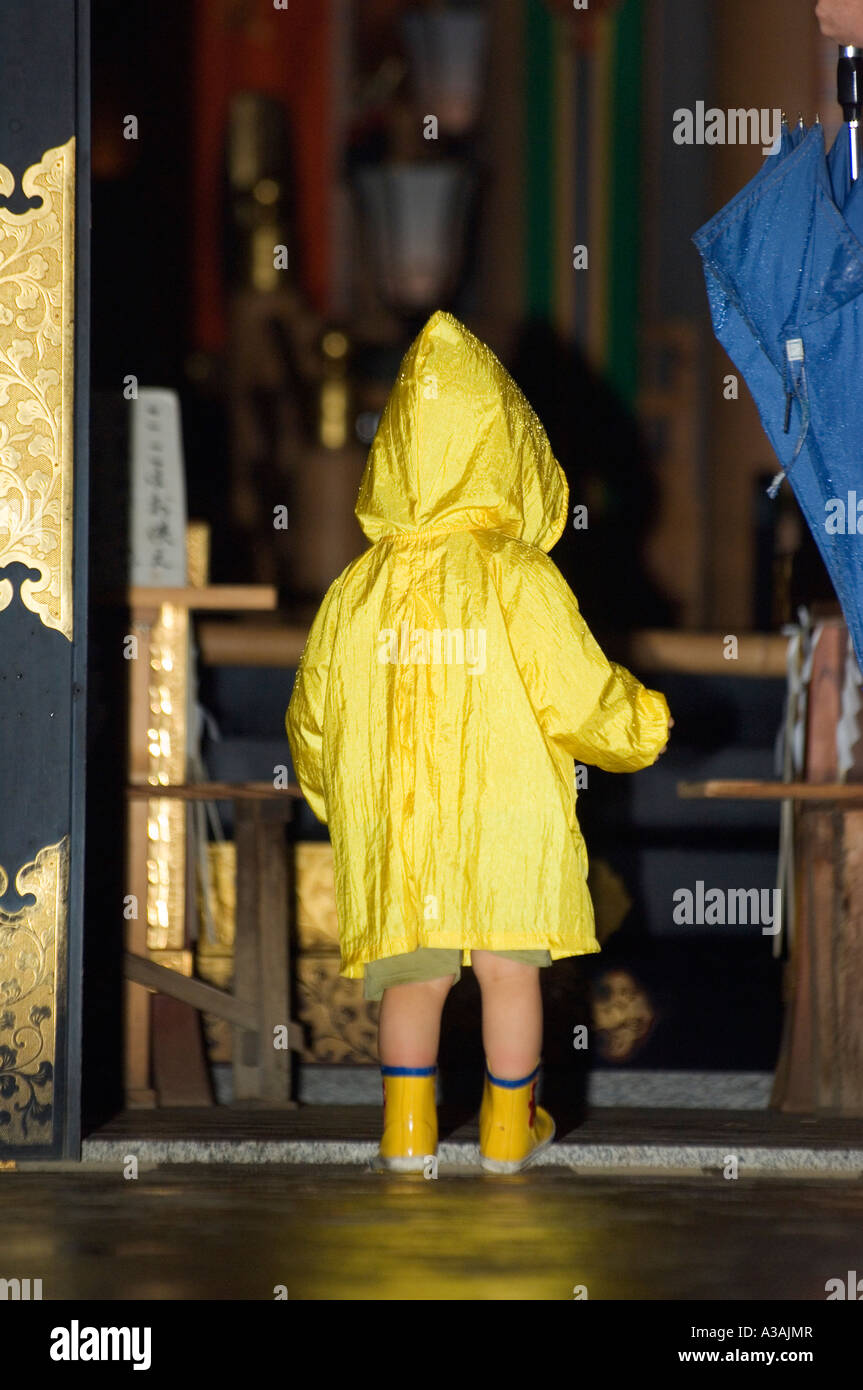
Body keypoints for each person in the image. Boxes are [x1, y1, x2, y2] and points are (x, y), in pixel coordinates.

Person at [286, 310, 671, 1174]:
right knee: (508, 971)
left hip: (400, 817)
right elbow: (577, 693)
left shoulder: (356, 590)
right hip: (505, 812)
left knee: (412, 977)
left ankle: (406, 1131)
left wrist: (327, 790)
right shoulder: (520, 576)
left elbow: (316, 711)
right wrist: (641, 724)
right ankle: (507, 1131)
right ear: (509, 447)